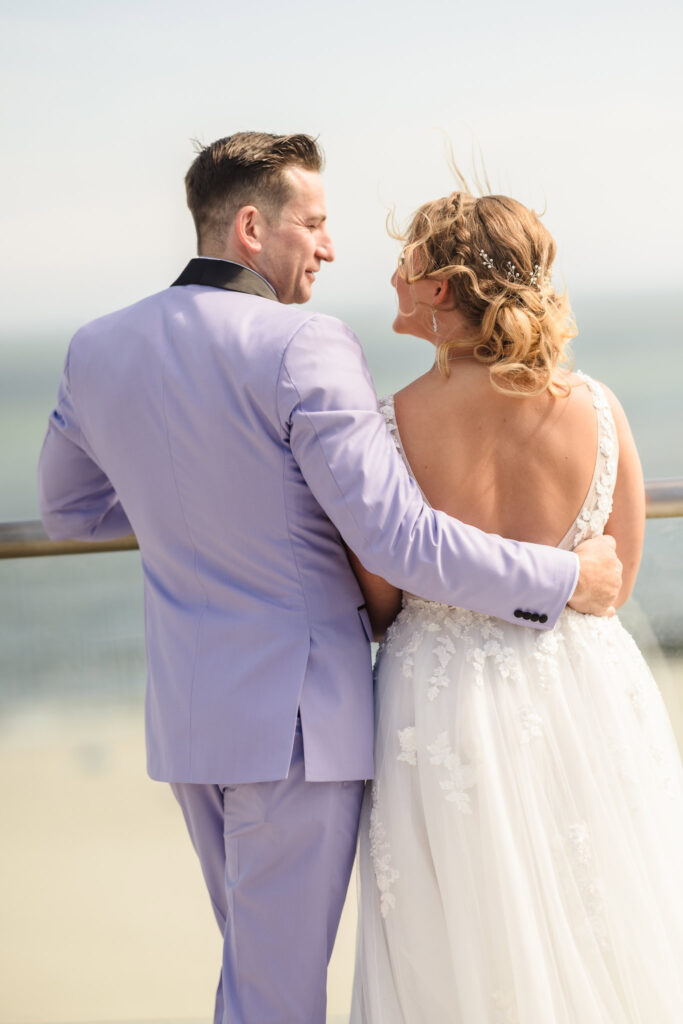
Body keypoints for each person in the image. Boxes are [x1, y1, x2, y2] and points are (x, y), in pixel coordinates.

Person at [38, 133, 621, 1024]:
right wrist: (559, 576)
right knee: (272, 997)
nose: (329, 246)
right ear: (248, 227)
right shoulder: (305, 342)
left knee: (254, 974)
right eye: (313, 223)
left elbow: (68, 513)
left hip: (191, 717)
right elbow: (393, 539)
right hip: (296, 725)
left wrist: (194, 505)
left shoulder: (97, 344)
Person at [349, 189, 683, 1022]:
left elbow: (379, 602)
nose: (391, 274)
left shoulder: (386, 428)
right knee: (599, 915)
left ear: (440, 287)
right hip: (581, 687)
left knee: (461, 942)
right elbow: (615, 585)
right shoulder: (596, 409)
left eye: (407, 259)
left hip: (439, 706)